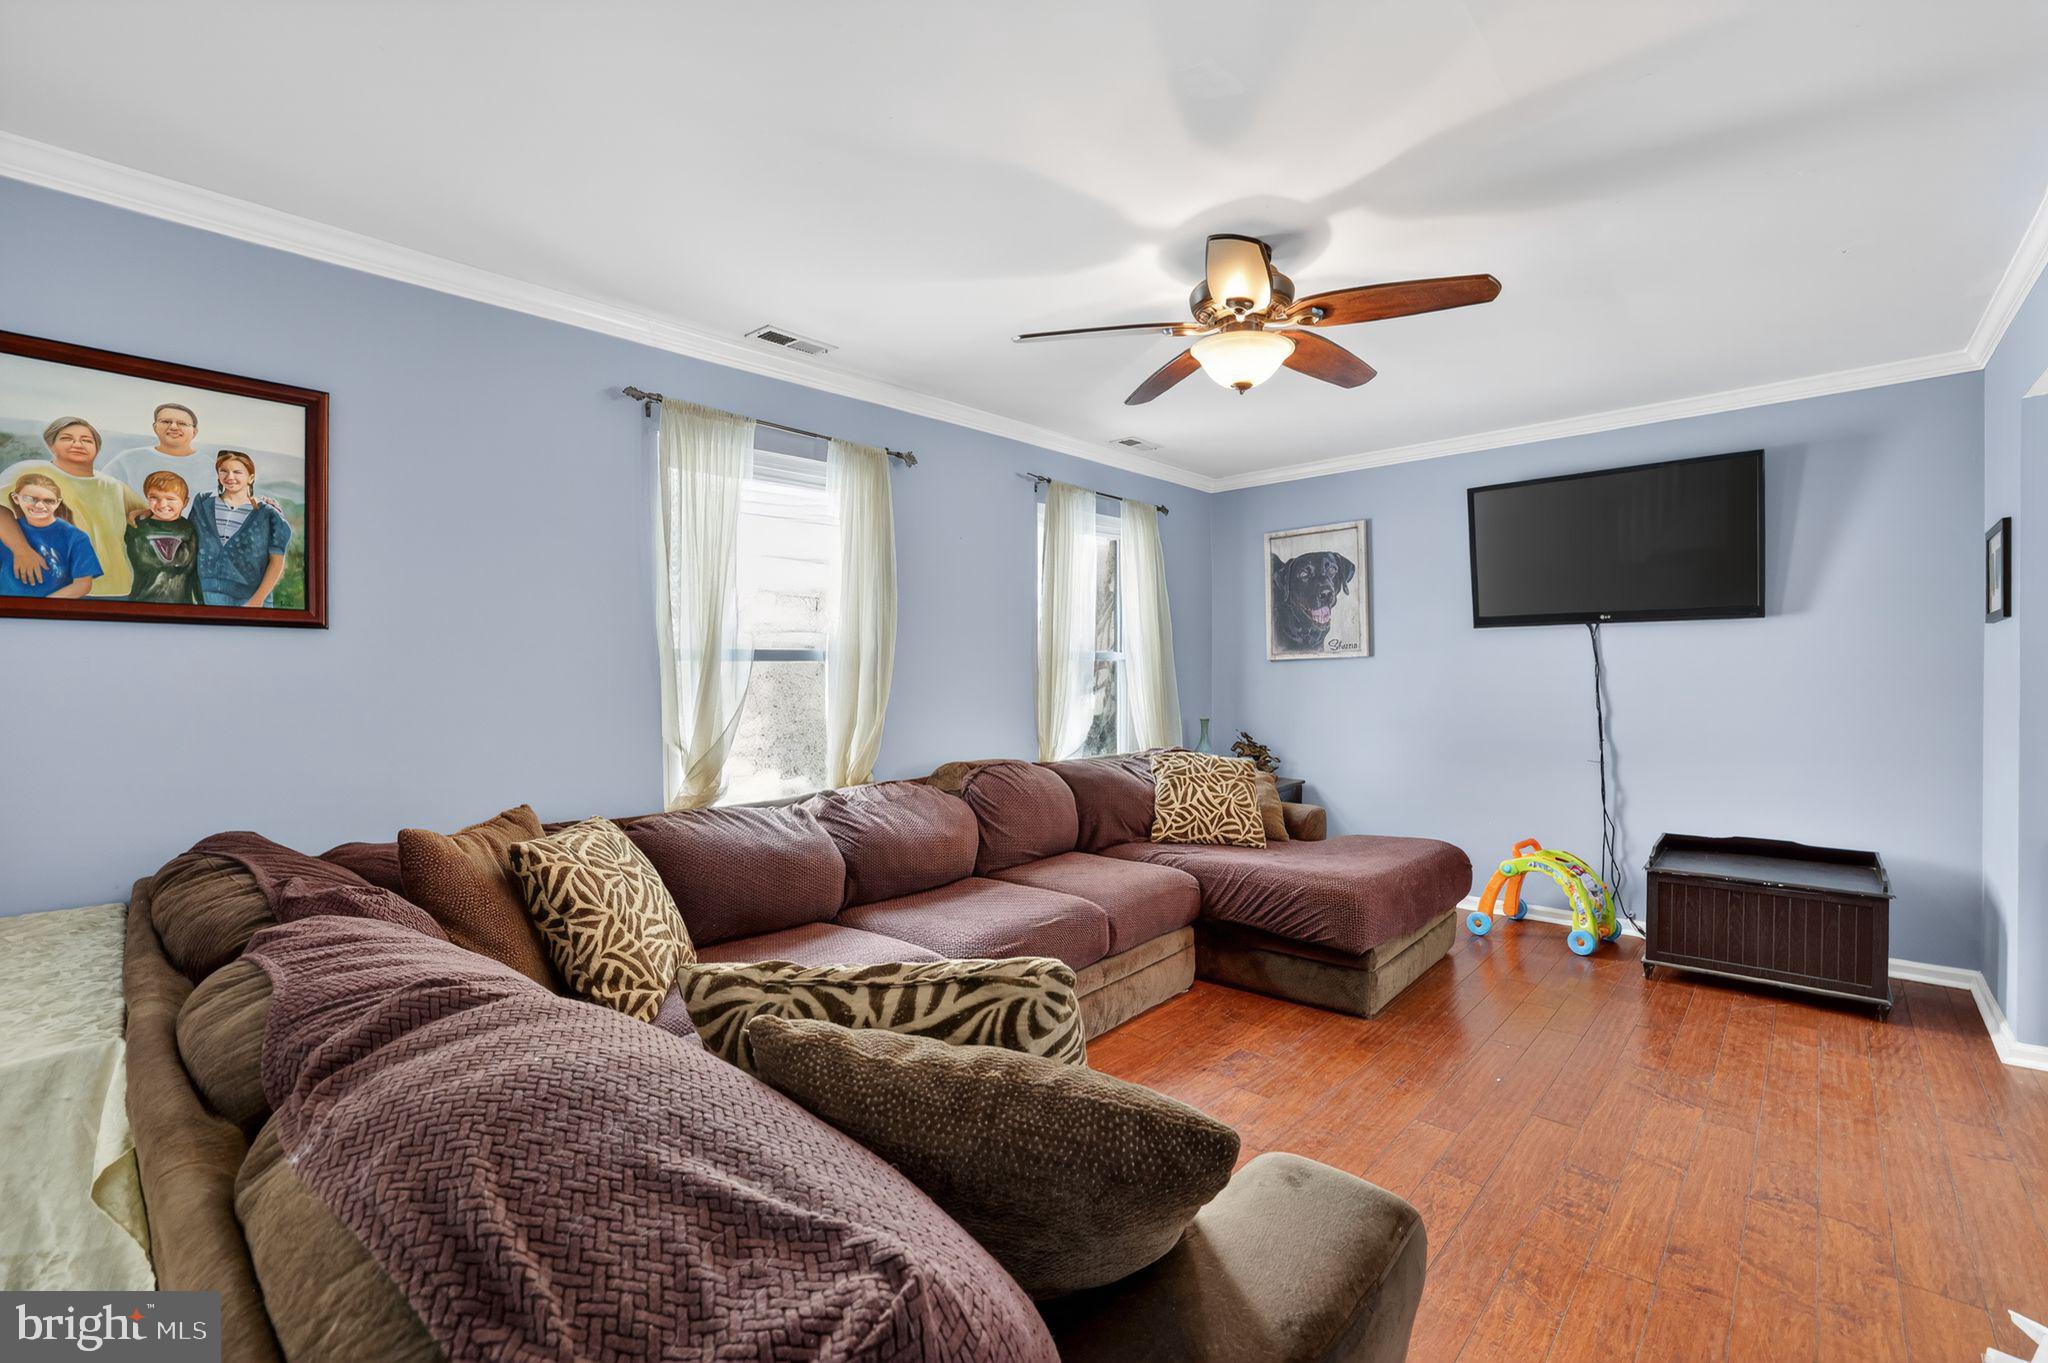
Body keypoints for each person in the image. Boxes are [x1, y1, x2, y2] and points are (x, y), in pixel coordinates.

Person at [0, 417, 146, 597]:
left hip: (116, 589)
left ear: (97, 448)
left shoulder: (114, 486)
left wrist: (142, 512)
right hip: (57, 587)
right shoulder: (31, 471)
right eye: (67, 438)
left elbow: (150, 514)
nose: (77, 444)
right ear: (51, 445)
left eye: (86, 440)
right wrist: (22, 550)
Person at [190, 450, 291, 607]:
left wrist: (257, 601)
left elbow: (276, 563)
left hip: (250, 600)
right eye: (224, 471)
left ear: (251, 478)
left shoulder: (268, 514)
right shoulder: (203, 503)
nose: (230, 477)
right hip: (204, 595)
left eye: (237, 472)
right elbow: (185, 532)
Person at [0, 472, 100, 599]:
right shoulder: (7, 531)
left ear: (58, 503)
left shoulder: (76, 537)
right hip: (7, 609)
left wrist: (41, 606)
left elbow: (83, 585)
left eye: (48, 501)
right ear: (16, 498)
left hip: (51, 611)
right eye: (30, 499)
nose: (39, 506)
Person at [104, 403, 213, 505]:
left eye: (182, 423)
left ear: (194, 431)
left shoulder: (212, 468)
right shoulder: (127, 460)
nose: (174, 427)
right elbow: (102, 493)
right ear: (155, 427)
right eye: (166, 422)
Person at [123, 471, 202, 605]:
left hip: (182, 605)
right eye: (154, 497)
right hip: (143, 602)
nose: (162, 504)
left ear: (185, 502)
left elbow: (195, 572)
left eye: (170, 499)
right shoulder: (137, 527)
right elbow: (145, 562)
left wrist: (202, 604)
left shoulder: (188, 528)